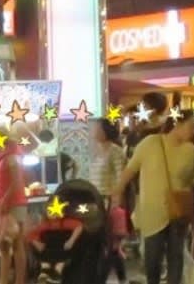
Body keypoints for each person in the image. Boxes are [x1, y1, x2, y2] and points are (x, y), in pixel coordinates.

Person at [113, 109, 194, 284]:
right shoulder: (150, 143)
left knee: (176, 257)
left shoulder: (191, 151)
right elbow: (130, 170)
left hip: (177, 212)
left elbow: (192, 181)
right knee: (152, 259)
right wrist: (118, 191)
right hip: (153, 212)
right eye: (190, 126)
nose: (193, 131)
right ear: (177, 124)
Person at [89, 118, 127, 283]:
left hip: (110, 201)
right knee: (102, 241)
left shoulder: (116, 151)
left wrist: (116, 202)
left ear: (105, 131)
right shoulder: (95, 150)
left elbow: (121, 177)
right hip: (96, 201)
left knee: (111, 242)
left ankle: (108, 277)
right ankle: (117, 276)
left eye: (96, 128)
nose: (93, 131)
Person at [0, 126, 27, 284]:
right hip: (1, 204)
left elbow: (16, 181)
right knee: (3, 243)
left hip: (15, 203)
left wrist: (5, 200)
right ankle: (3, 280)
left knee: (16, 242)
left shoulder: (12, 157)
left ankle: (19, 280)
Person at [28, 213, 84, 283]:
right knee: (45, 266)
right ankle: (45, 274)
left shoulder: (67, 222)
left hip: (63, 253)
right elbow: (31, 234)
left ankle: (55, 275)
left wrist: (71, 240)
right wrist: (36, 242)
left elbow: (79, 226)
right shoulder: (45, 224)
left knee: (59, 266)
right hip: (46, 252)